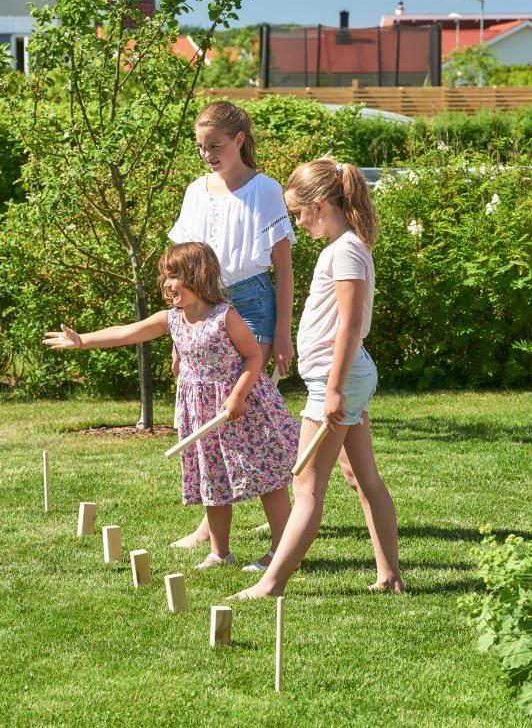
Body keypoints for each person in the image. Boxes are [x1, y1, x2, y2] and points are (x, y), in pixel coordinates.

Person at [43, 241, 300, 571]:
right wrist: (82, 340)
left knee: (268, 477)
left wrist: (237, 396)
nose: (167, 283)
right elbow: (126, 332)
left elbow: (252, 357)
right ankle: (220, 553)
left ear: (198, 276)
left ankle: (282, 550)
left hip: (242, 408)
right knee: (213, 478)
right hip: (201, 412)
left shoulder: (226, 316)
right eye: (165, 276)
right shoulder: (172, 320)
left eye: (175, 275)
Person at [233, 158, 404, 598]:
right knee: (361, 476)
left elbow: (348, 326)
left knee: (305, 485)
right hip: (339, 378)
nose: (299, 222)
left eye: (299, 213)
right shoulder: (346, 246)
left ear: (321, 205)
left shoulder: (345, 249)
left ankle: (270, 585)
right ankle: (390, 576)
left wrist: (332, 391)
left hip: (337, 380)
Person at [168, 101, 296, 561]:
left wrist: (283, 332)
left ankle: (280, 529)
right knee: (208, 413)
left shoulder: (266, 190)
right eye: (201, 147)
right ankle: (212, 529)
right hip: (203, 301)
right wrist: (181, 342)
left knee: (247, 411)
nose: (207, 155)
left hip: (254, 301)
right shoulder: (195, 191)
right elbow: (183, 266)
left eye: (216, 146)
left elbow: (282, 266)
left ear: (239, 140)